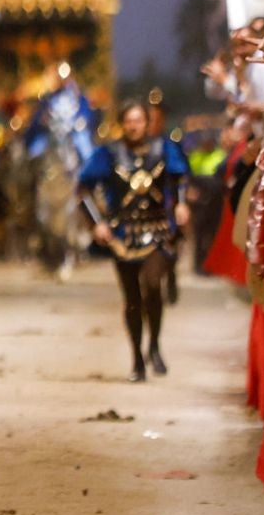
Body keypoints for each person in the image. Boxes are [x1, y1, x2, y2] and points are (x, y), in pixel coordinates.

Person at [78, 98, 191, 382]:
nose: (133, 125)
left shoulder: (164, 148)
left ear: (146, 122)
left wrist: (180, 204)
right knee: (131, 299)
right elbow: (83, 189)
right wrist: (97, 223)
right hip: (123, 235)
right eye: (128, 120)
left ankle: (154, 346)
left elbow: (180, 178)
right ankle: (137, 359)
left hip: (157, 231)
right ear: (122, 123)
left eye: (138, 120)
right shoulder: (109, 153)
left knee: (153, 285)